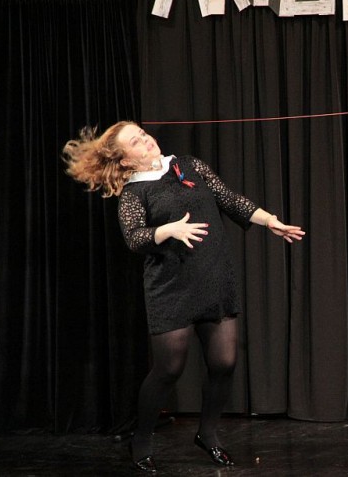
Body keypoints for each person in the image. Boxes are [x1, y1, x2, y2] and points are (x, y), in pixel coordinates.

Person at [62, 121, 304, 473]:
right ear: (125, 160)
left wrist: (270, 221)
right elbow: (134, 238)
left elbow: (229, 199)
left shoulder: (190, 165)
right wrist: (168, 230)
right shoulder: (134, 193)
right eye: (136, 141)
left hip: (214, 277)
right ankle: (141, 439)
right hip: (171, 287)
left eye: (143, 134)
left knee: (224, 362)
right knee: (169, 368)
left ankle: (208, 434)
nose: (146, 140)